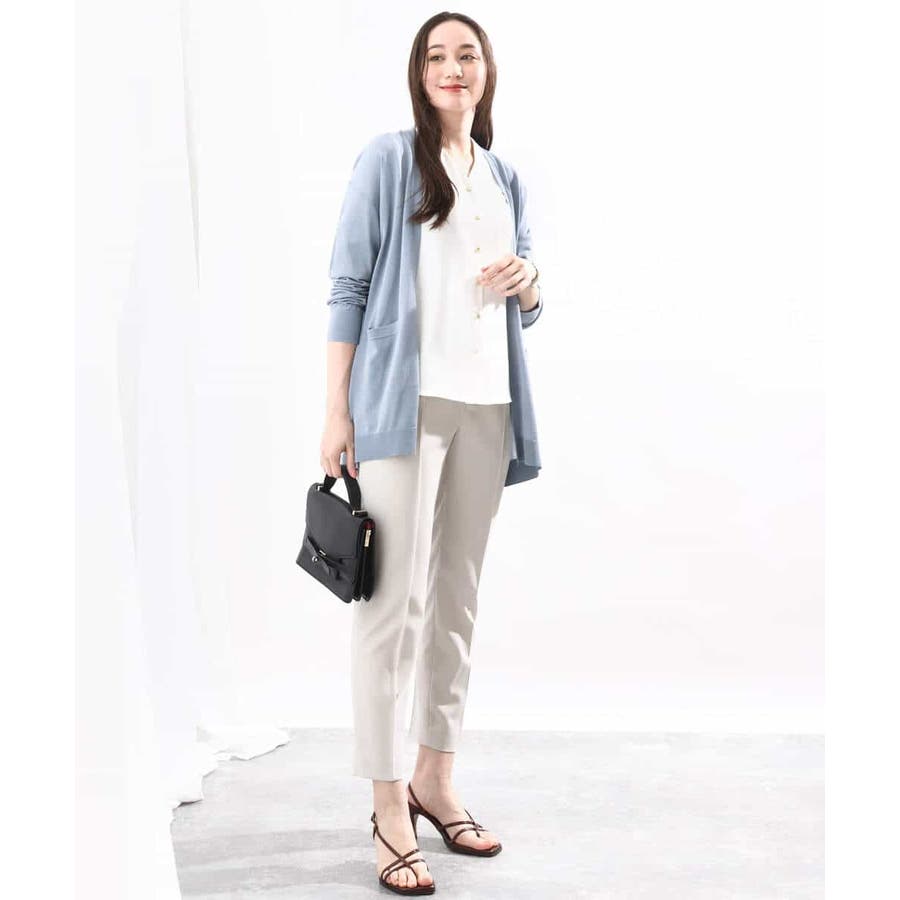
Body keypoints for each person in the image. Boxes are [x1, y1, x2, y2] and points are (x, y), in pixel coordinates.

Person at [319, 12, 544, 895]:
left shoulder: (503, 174)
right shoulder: (388, 161)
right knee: (392, 609)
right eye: (438, 56)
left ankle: (434, 779)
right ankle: (386, 806)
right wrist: (335, 412)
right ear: (420, 75)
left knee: (455, 605)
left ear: (487, 72)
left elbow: (526, 294)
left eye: (468, 54)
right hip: (400, 408)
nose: (454, 67)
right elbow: (348, 283)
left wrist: (531, 280)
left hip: (488, 405)